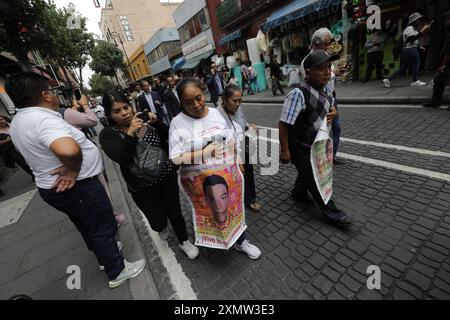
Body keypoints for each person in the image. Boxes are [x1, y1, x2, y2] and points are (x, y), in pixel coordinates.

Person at [5, 72, 145, 289]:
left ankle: (103, 258)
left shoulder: (19, 120)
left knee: (86, 225)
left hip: (52, 187)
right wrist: (72, 171)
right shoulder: (41, 119)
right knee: (102, 225)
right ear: (46, 95)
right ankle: (117, 270)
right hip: (77, 186)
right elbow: (69, 150)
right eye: (51, 91)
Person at [169, 77, 261, 259]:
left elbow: (230, 139)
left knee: (233, 208)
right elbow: (175, 159)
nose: (196, 105)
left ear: (204, 92)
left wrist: (238, 160)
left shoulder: (215, 114)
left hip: (227, 179)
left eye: (198, 97)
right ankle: (216, 241)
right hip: (201, 186)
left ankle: (241, 242)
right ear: (181, 103)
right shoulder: (177, 123)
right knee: (211, 213)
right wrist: (203, 153)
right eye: (188, 102)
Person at [99, 91, 198, 259]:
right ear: (109, 114)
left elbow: (170, 138)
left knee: (175, 211)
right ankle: (161, 227)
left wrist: (157, 122)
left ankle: (184, 242)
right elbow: (122, 157)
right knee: (157, 219)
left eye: (125, 107)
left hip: (166, 176)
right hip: (142, 188)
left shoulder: (145, 121)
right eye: (116, 111)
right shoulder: (108, 134)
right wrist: (130, 133)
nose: (124, 113)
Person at [278, 50, 354, 228]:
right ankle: (334, 214)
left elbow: (332, 107)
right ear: (309, 72)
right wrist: (285, 151)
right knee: (316, 179)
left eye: (329, 67)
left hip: (318, 144)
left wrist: (334, 113)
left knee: (307, 175)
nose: (328, 72)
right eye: (322, 69)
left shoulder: (327, 88)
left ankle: (298, 193)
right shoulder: (297, 94)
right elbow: (283, 125)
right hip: (300, 148)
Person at [300, 27, 344, 165]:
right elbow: (311, 79)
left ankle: (331, 156)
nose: (328, 46)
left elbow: (328, 77)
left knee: (335, 128)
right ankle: (316, 161)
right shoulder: (308, 61)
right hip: (317, 99)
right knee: (319, 131)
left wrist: (336, 75)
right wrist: (333, 73)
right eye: (325, 43)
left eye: (329, 43)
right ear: (316, 43)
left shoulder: (326, 56)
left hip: (330, 97)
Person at [217, 84, 262, 212]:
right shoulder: (216, 115)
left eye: (240, 100)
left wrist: (249, 126)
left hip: (243, 145)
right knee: (231, 177)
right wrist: (237, 159)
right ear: (224, 100)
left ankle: (250, 199)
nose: (237, 104)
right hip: (229, 151)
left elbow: (244, 122)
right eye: (234, 101)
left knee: (248, 173)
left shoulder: (239, 109)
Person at [383, 12, 432, 88]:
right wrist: (423, 31)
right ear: (414, 20)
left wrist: (419, 47)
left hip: (409, 50)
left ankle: (388, 79)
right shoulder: (409, 28)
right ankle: (415, 81)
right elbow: (412, 39)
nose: (419, 21)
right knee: (416, 63)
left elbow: (414, 40)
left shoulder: (413, 29)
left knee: (403, 68)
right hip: (410, 50)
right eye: (418, 20)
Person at [423, 11, 450, 110]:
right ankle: (435, 101)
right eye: (446, 19)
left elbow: (449, 51)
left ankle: (435, 101)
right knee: (438, 80)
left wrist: (443, 64)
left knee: (439, 79)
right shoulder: (447, 32)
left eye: (448, 19)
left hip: (447, 62)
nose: (446, 21)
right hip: (447, 62)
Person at [0, 115, 34, 180]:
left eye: (2, 119)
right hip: (11, 149)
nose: (2, 121)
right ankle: (33, 175)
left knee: (31, 159)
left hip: (23, 145)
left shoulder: (12, 125)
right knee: (22, 162)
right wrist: (7, 140)